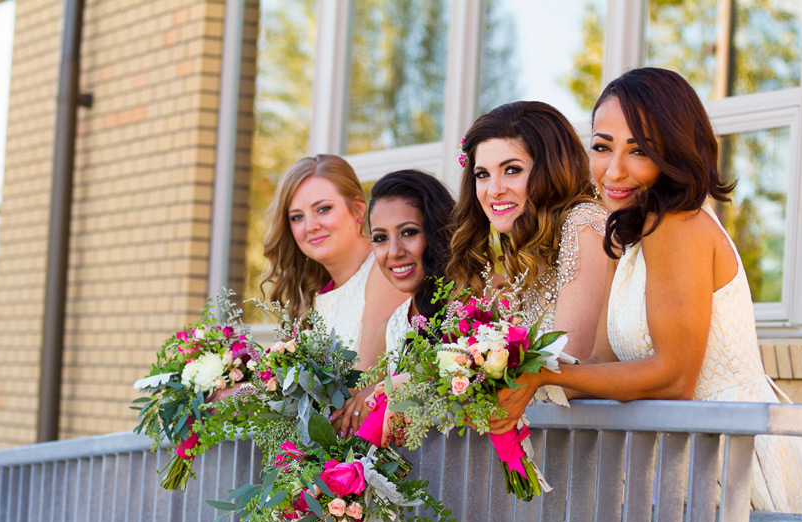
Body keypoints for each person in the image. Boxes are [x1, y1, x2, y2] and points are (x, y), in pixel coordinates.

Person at [493, 67, 802, 522]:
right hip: (688, 463)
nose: (614, 169)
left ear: (676, 150)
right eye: (602, 147)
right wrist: (500, 370)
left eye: (640, 150)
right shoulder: (637, 237)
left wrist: (542, 375)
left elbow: (675, 376)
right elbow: (608, 366)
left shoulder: (678, 226)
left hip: (735, 465)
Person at [445, 101, 609, 399]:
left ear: (551, 169)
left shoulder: (584, 222)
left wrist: (438, 389)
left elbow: (567, 370)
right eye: (482, 174)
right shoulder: (519, 249)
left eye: (512, 170)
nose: (494, 189)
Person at [331, 169, 455, 438]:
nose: (394, 252)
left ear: (439, 232)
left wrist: (392, 389)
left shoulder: (472, 305)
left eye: (408, 232)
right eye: (380, 238)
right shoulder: (393, 325)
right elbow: (355, 408)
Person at [260, 154, 407, 370]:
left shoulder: (384, 271)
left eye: (323, 209)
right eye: (297, 217)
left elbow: (364, 382)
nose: (311, 226)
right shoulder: (318, 292)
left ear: (357, 208)